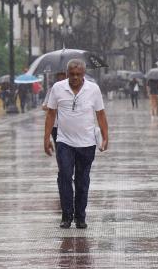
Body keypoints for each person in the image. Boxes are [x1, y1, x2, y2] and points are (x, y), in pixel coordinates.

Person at [44, 59, 109, 230]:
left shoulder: (93, 89)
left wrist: (105, 136)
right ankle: (66, 215)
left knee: (82, 180)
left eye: (78, 75)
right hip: (64, 141)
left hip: (87, 143)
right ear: (66, 74)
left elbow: (100, 114)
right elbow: (51, 114)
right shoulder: (58, 88)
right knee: (64, 176)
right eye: (71, 74)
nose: (75, 77)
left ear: (84, 74)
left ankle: (80, 216)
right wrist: (46, 139)